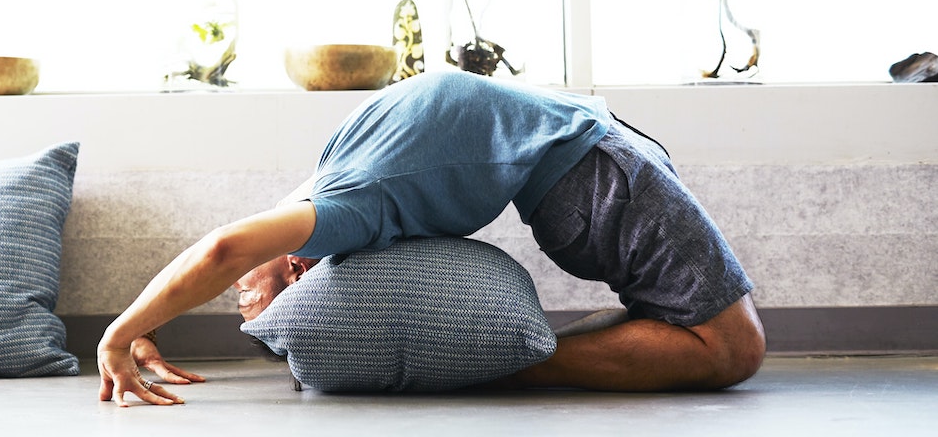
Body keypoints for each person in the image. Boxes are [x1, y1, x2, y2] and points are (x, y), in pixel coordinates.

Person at [97, 71, 765, 406]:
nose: (239, 301)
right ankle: (518, 362)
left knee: (722, 344)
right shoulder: (340, 176)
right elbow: (227, 253)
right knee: (725, 344)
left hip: (593, 170)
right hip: (592, 169)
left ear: (297, 267)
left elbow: (220, 250)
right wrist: (145, 319)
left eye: (244, 299)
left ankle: (519, 364)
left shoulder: (342, 201)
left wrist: (121, 331)